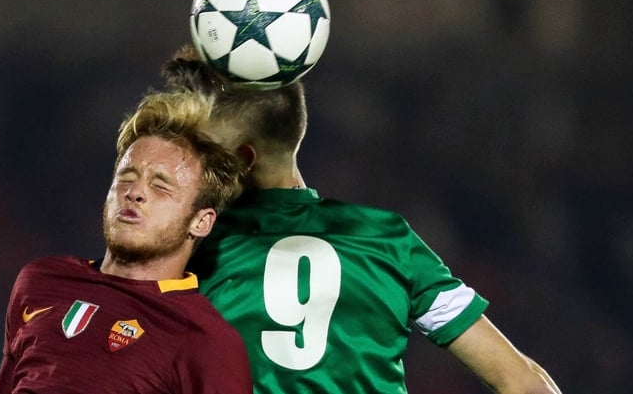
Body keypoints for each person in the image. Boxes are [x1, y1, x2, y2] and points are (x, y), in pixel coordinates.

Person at [161, 45, 563, 394]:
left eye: (200, 154)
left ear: (241, 160)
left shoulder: (191, 247)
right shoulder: (389, 238)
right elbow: (526, 384)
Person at [0, 90, 252, 394]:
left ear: (201, 221)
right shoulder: (41, 281)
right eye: (126, 177)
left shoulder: (204, 339)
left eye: (160, 186)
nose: (135, 192)